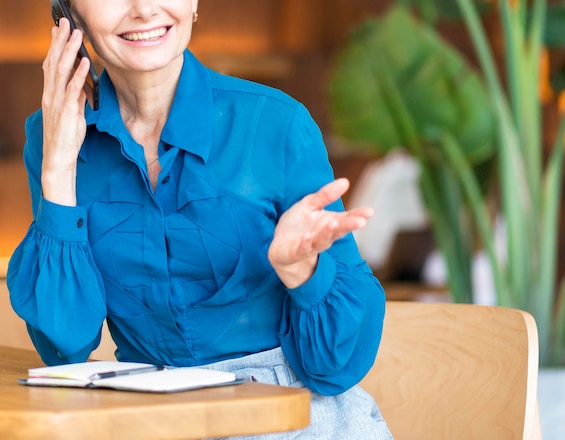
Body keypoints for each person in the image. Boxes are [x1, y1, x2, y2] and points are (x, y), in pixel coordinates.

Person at [7, 1, 391, 438]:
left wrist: (304, 271)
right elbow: (65, 347)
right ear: (69, 16)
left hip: (288, 413)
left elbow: (335, 368)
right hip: (145, 414)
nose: (144, 9)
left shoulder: (276, 123)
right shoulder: (53, 133)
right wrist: (58, 165)